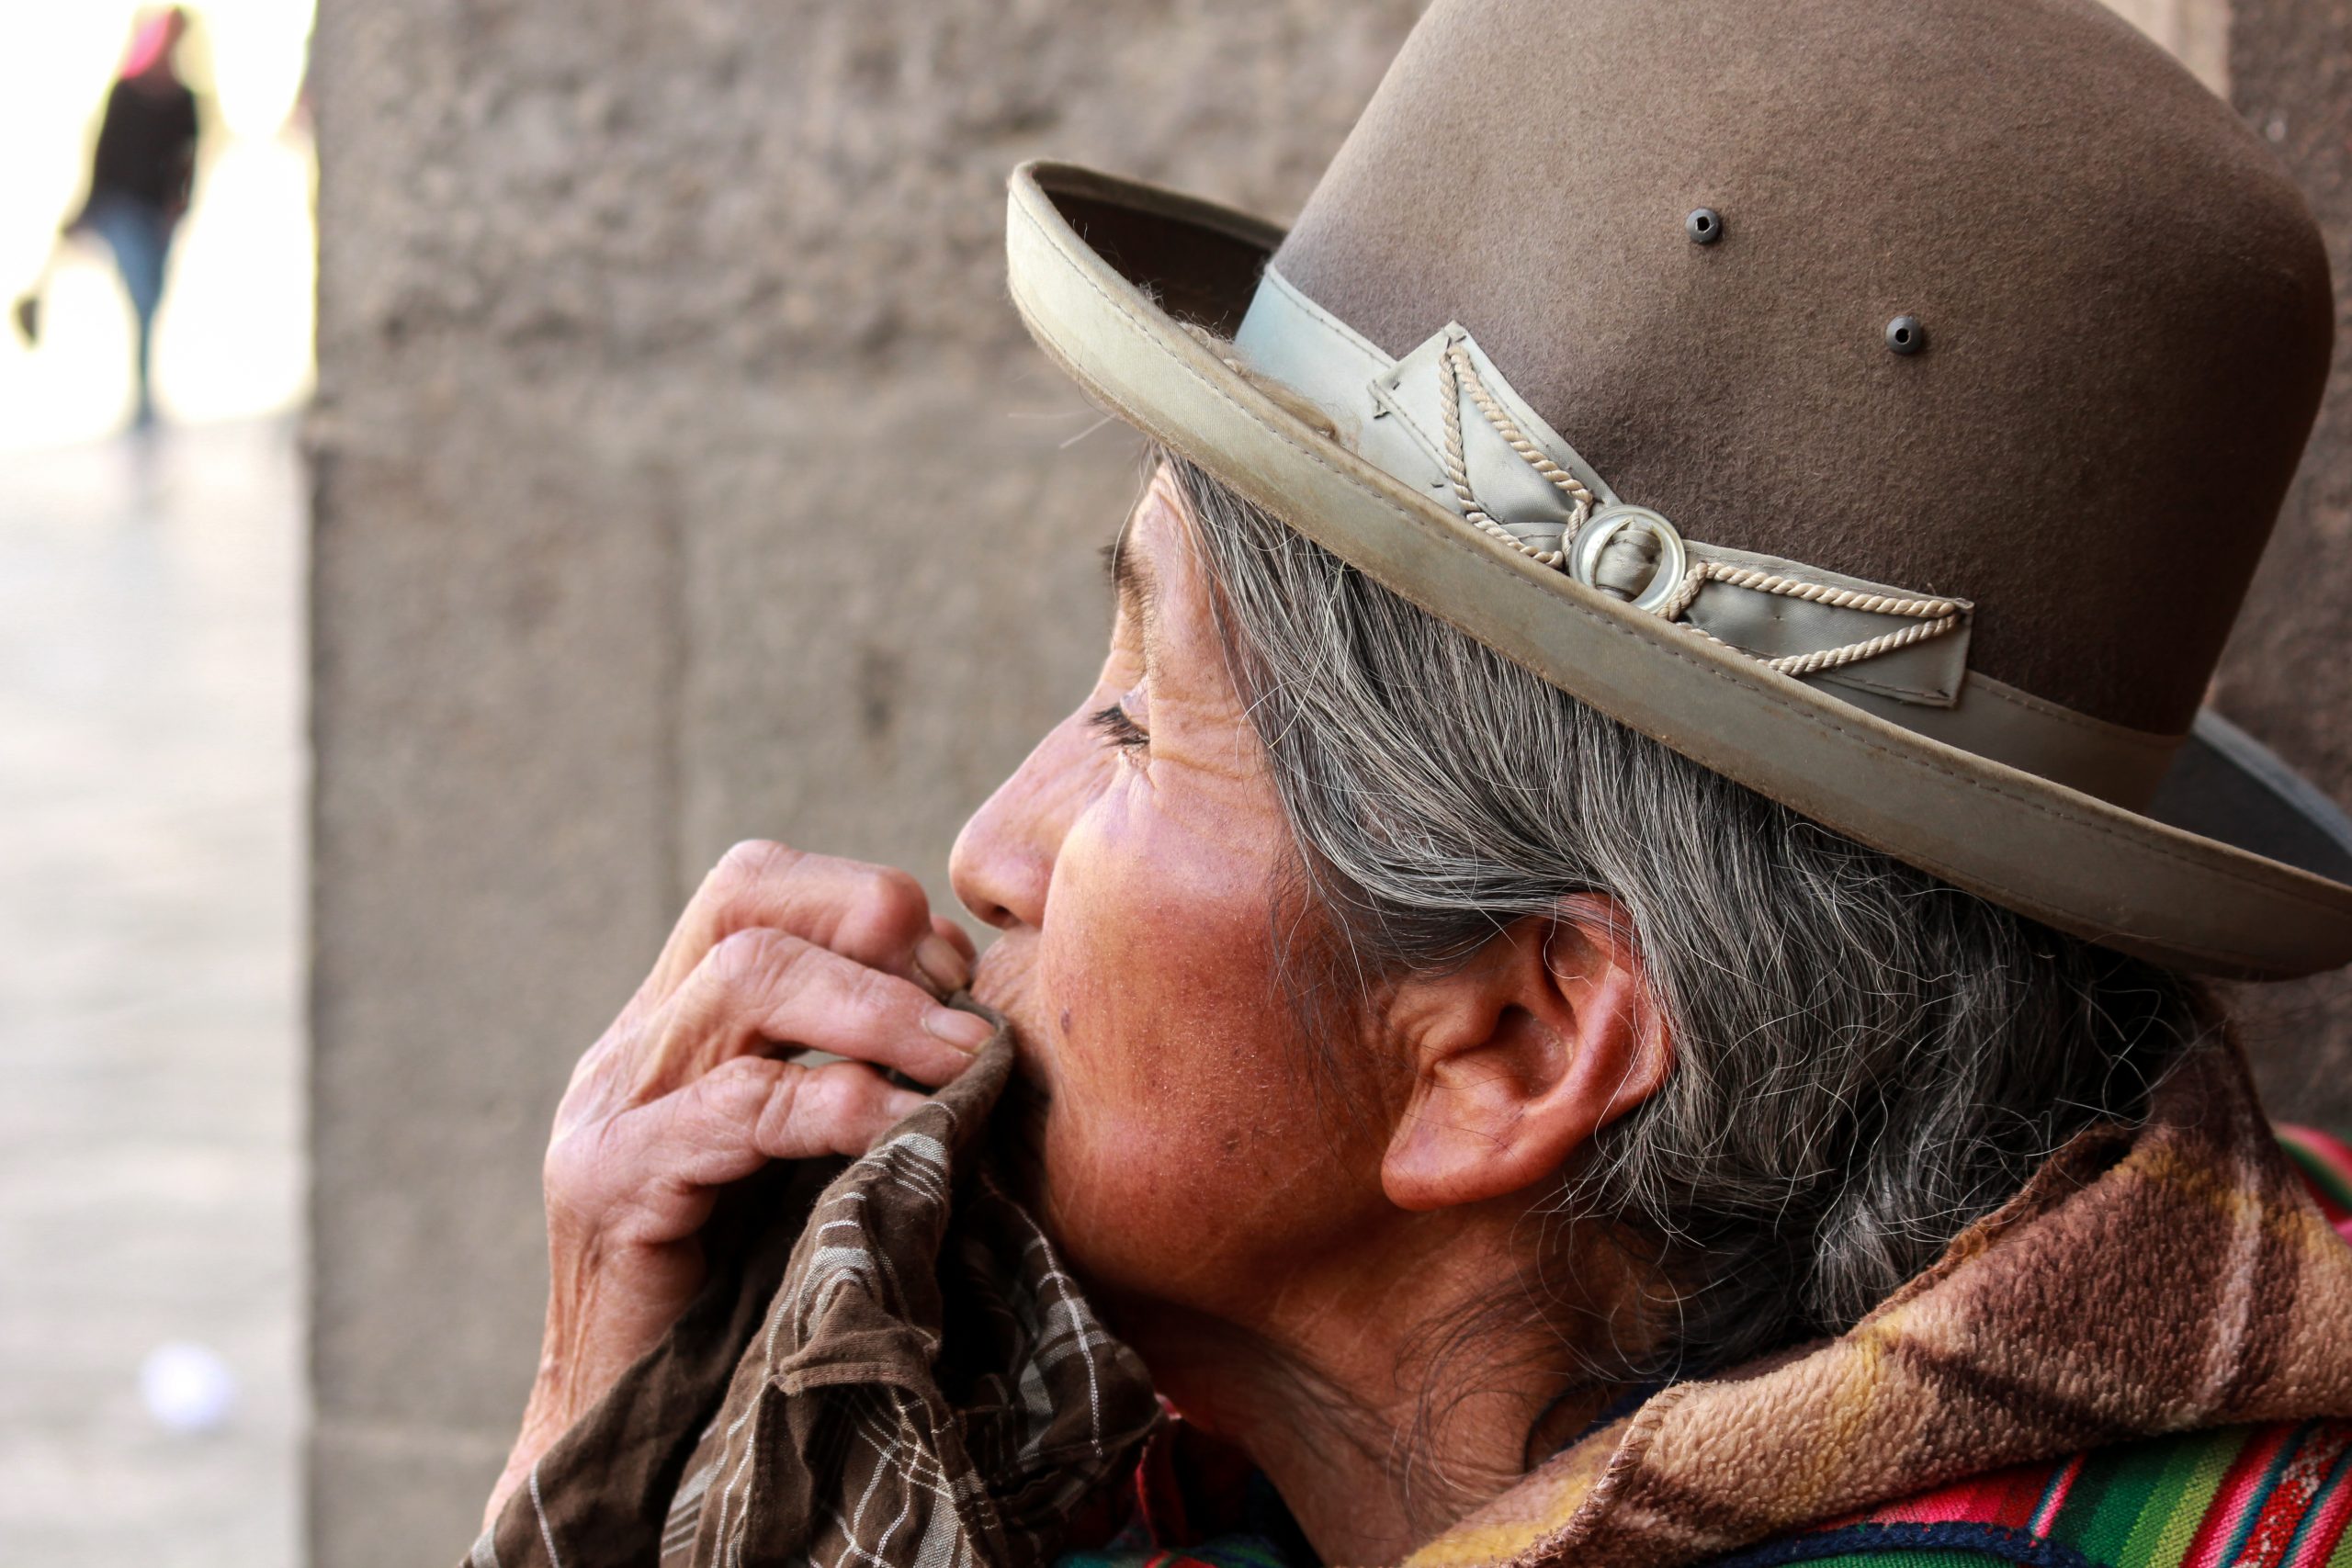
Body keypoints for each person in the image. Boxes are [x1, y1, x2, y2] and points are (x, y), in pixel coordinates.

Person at [469, 1, 2352, 1565]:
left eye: (1136, 724)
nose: (986, 851)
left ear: (1514, 1041)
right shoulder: (1147, 1488)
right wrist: (604, 1422)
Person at [14, 9, 202, 429]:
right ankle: (142, 398)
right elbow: (105, 154)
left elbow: (189, 160)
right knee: (141, 293)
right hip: (121, 206)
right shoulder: (126, 93)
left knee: (150, 299)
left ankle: (143, 394)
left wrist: (179, 206)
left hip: (156, 215)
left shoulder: (183, 98)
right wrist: (87, 206)